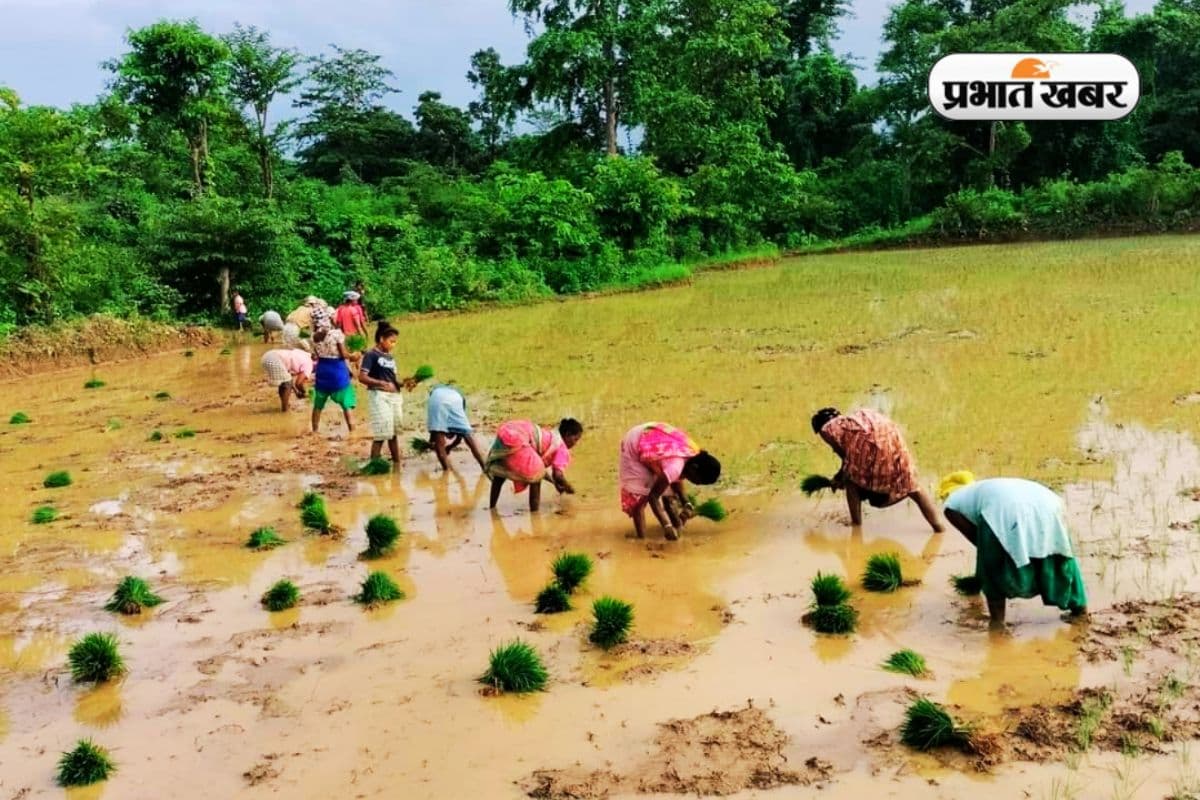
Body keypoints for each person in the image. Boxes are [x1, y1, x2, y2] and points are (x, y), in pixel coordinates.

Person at [940, 472, 1088, 631]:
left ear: (947, 492)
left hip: (1004, 509)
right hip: (1049, 503)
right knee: (1059, 556)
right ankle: (1080, 611)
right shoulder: (984, 488)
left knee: (992, 568)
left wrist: (983, 573)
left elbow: (978, 541)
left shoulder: (951, 504)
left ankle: (997, 624)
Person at [811, 407, 943, 532]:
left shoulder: (827, 429)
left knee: (851, 483)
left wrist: (838, 479)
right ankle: (939, 528)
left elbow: (846, 460)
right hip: (891, 437)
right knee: (913, 487)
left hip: (870, 443)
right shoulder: (853, 420)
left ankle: (856, 528)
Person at [619, 422, 721, 540]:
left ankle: (675, 526)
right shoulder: (675, 467)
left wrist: (686, 503)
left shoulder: (694, 454)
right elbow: (653, 497)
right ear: (694, 468)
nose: (697, 484)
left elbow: (677, 479)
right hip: (635, 442)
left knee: (669, 493)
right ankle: (641, 539)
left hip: (652, 438)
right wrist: (666, 526)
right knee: (640, 498)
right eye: (698, 481)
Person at [486, 419, 583, 512]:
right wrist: (568, 487)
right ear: (567, 435)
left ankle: (492, 507)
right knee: (537, 477)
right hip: (518, 439)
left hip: (509, 432)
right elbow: (557, 475)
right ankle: (535, 514)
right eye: (575, 439)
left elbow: (544, 470)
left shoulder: (551, 436)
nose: (575, 443)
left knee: (499, 476)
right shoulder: (562, 448)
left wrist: (554, 483)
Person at [358, 323, 416, 465]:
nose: (393, 345)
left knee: (394, 433)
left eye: (395, 342)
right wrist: (381, 383)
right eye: (391, 341)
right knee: (382, 432)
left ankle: (397, 463)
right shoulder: (371, 355)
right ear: (381, 339)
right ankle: (374, 465)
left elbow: (393, 380)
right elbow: (362, 377)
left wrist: (406, 382)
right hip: (379, 396)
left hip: (395, 397)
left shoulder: (390, 358)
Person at [310, 306, 357, 435]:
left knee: (318, 405)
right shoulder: (336, 334)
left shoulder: (313, 337)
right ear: (327, 318)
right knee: (346, 404)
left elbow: (314, 356)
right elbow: (344, 354)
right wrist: (354, 355)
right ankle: (352, 431)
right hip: (337, 371)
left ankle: (315, 431)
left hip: (322, 371)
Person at [425, 383, 486, 472]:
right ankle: (485, 467)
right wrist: (448, 447)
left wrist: (445, 446)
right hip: (454, 399)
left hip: (436, 400)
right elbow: (460, 435)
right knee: (469, 436)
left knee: (439, 441)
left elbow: (435, 433)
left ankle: (446, 471)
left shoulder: (436, 392)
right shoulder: (458, 396)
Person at [260, 348, 313, 412]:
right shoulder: (309, 364)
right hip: (274, 360)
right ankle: (285, 410)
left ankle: (285, 406)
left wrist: (296, 392)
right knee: (286, 384)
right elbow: (298, 383)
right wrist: (304, 392)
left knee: (285, 382)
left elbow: (289, 378)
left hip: (267, 356)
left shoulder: (303, 354)